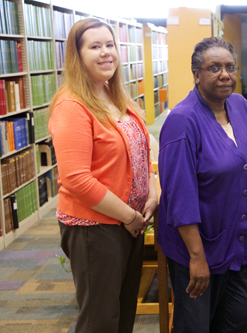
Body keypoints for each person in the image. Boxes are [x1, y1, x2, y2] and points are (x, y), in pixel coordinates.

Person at [48, 18, 157, 333]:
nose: (105, 53)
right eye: (95, 47)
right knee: (98, 320)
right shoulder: (72, 105)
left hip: (127, 223)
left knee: (121, 311)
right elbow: (76, 179)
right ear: (77, 55)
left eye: (110, 45)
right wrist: (129, 216)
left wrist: (152, 191)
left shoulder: (115, 94)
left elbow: (142, 150)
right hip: (94, 228)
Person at [157, 37, 247, 333]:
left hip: (236, 246)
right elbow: (180, 197)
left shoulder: (240, 106)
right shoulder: (182, 121)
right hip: (199, 251)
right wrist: (196, 258)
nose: (224, 74)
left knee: (240, 318)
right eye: (213, 68)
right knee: (195, 327)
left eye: (230, 67)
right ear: (196, 74)